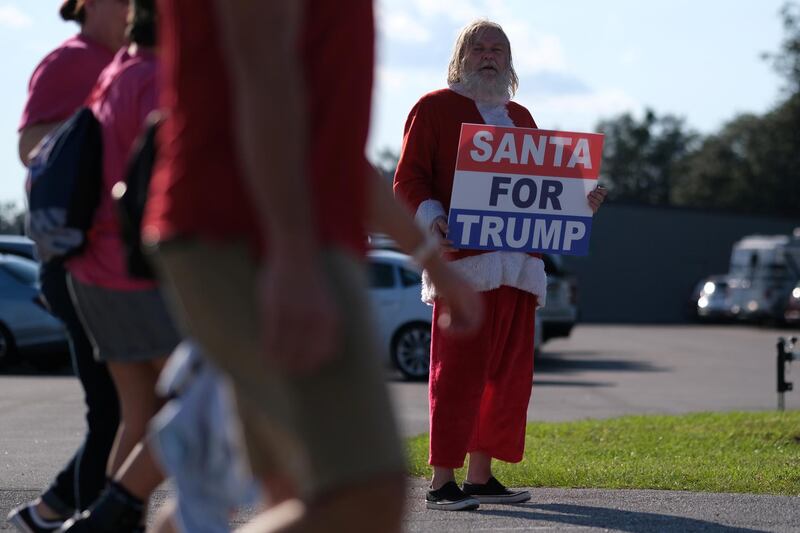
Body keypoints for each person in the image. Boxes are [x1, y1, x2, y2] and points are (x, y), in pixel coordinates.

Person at [140, 1, 481, 531]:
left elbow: (335, 146)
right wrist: (292, 253)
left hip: (265, 235)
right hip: (250, 234)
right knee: (365, 496)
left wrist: (430, 258)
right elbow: (263, 72)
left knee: (296, 491)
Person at [393, 19, 608, 511]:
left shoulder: (521, 116)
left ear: (509, 61)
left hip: (518, 269)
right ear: (461, 57)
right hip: (463, 267)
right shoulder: (433, 109)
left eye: (498, 49)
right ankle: (441, 481)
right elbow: (408, 181)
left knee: (504, 376)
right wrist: (434, 217)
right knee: (457, 374)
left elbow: (537, 192)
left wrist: (579, 208)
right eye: (479, 48)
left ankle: (481, 477)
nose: (489, 56)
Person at [56, 2, 181, 532]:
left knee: (138, 414)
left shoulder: (116, 73)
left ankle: (107, 522)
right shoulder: (157, 80)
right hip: (133, 269)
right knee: (201, 406)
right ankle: (108, 521)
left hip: (92, 267)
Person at [7, 1, 127, 531]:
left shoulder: (130, 59)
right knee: (114, 410)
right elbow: (31, 147)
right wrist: (96, 132)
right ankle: (86, 517)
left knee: (125, 409)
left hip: (120, 260)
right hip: (78, 259)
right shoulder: (70, 61)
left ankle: (56, 509)